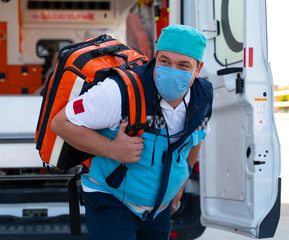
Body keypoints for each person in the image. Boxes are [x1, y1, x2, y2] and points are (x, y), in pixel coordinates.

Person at [51, 24, 213, 240]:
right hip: (112, 199)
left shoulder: (202, 97)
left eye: (183, 65)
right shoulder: (118, 91)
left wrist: (180, 182)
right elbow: (61, 123)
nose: (172, 70)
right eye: (165, 61)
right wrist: (112, 148)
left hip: (159, 207)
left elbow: (195, 138)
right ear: (155, 57)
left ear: (198, 68)